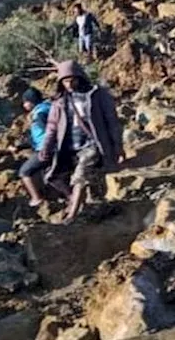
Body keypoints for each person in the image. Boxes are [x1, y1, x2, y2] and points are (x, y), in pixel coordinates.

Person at [38, 60, 124, 223]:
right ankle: (84, 203)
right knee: (52, 176)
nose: (69, 84)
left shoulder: (97, 95)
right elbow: (51, 127)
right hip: (69, 147)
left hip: (92, 144)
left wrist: (118, 147)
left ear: (80, 77)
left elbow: (112, 121)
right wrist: (46, 148)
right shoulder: (60, 101)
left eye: (72, 79)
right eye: (65, 80)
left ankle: (72, 214)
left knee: (80, 177)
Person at [18, 87, 69, 207]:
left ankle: (36, 198)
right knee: (53, 176)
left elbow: (48, 132)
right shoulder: (48, 108)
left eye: (25, 102)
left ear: (30, 102)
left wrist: (47, 148)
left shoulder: (40, 114)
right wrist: (21, 146)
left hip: (47, 149)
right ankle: (66, 198)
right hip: (57, 147)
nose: (24, 105)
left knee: (25, 172)